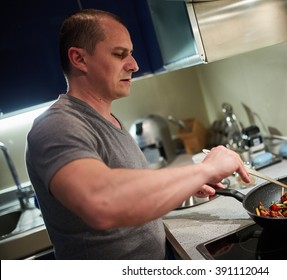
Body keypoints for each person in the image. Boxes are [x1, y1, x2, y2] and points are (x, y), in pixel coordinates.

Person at [25, 9, 250, 260]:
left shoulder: (110, 121)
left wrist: (183, 187)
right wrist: (204, 170)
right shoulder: (56, 125)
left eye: (130, 54)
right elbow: (103, 202)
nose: (134, 65)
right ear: (79, 58)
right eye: (120, 54)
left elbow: (128, 195)